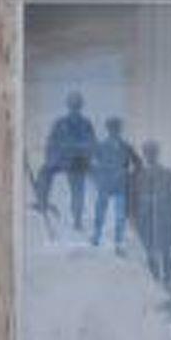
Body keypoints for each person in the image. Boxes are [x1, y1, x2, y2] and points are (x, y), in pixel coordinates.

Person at [36, 92, 96, 232]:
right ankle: (42, 201)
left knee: (78, 188)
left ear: (80, 106)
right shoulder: (60, 123)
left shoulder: (86, 124)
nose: (74, 108)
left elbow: (92, 144)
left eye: (77, 105)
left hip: (78, 161)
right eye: (72, 105)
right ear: (68, 106)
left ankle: (77, 218)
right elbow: (51, 142)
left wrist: (83, 154)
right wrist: (51, 159)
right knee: (44, 172)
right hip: (62, 160)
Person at [130, 140, 171, 287]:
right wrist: (133, 216)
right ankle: (154, 280)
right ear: (144, 154)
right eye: (148, 153)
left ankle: (168, 279)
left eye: (153, 152)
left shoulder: (167, 173)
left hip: (164, 217)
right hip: (145, 218)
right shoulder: (138, 175)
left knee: (166, 249)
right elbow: (132, 197)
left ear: (157, 154)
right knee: (149, 249)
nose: (150, 155)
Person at [90, 116, 140, 250]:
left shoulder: (126, 147)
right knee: (100, 211)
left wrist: (129, 176)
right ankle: (96, 236)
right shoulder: (101, 147)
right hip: (105, 184)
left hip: (120, 185)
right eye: (112, 128)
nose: (114, 131)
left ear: (120, 130)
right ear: (108, 130)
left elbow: (138, 163)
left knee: (120, 215)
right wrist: (97, 179)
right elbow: (92, 165)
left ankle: (118, 240)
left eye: (117, 128)